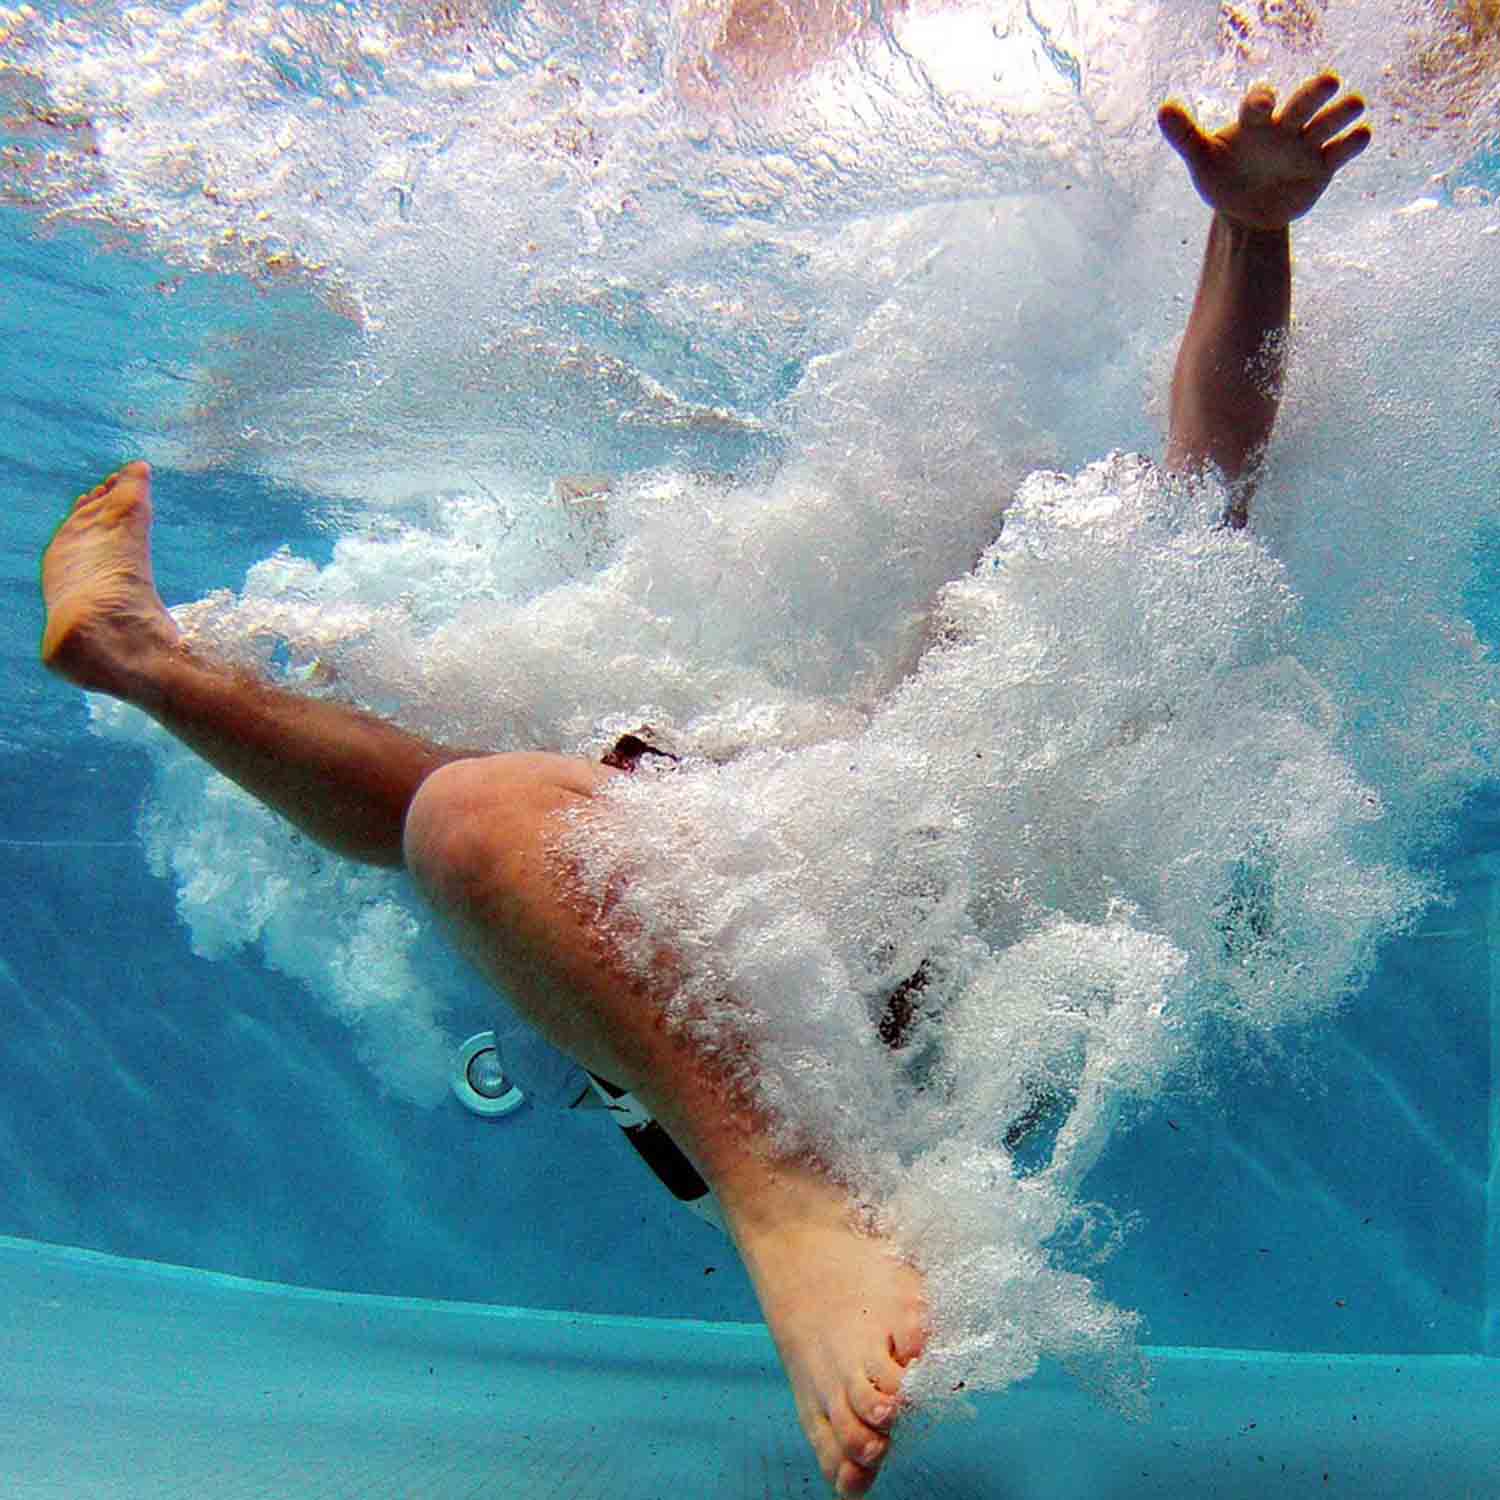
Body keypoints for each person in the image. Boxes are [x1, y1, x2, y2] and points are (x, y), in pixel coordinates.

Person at [37, 75, 1370, 1500]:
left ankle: (144, 661)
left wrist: (1251, 235)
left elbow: (1210, 470)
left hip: (815, 1043)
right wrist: (1246, 230)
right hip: (744, 981)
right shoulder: (859, 758)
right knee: (462, 805)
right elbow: (1194, 483)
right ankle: (139, 660)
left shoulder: (1078, 719)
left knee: (465, 814)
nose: (984, 581)